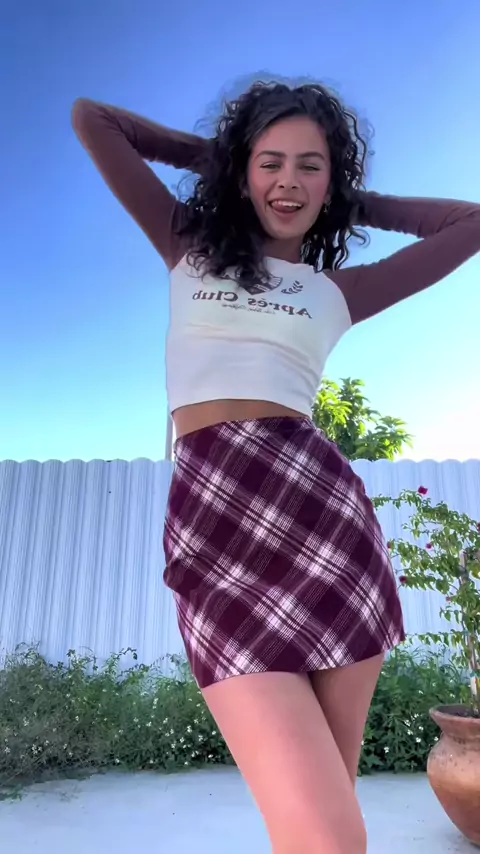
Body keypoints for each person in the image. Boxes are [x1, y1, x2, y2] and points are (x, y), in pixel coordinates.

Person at [72, 79, 480, 854]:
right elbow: (95, 120)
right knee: (328, 834)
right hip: (215, 529)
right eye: (271, 163)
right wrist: (227, 159)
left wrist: (347, 200)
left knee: (319, 829)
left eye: (309, 167)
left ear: (332, 182)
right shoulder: (187, 246)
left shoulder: (339, 291)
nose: (288, 182)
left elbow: (472, 222)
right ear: (242, 172)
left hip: (327, 533)